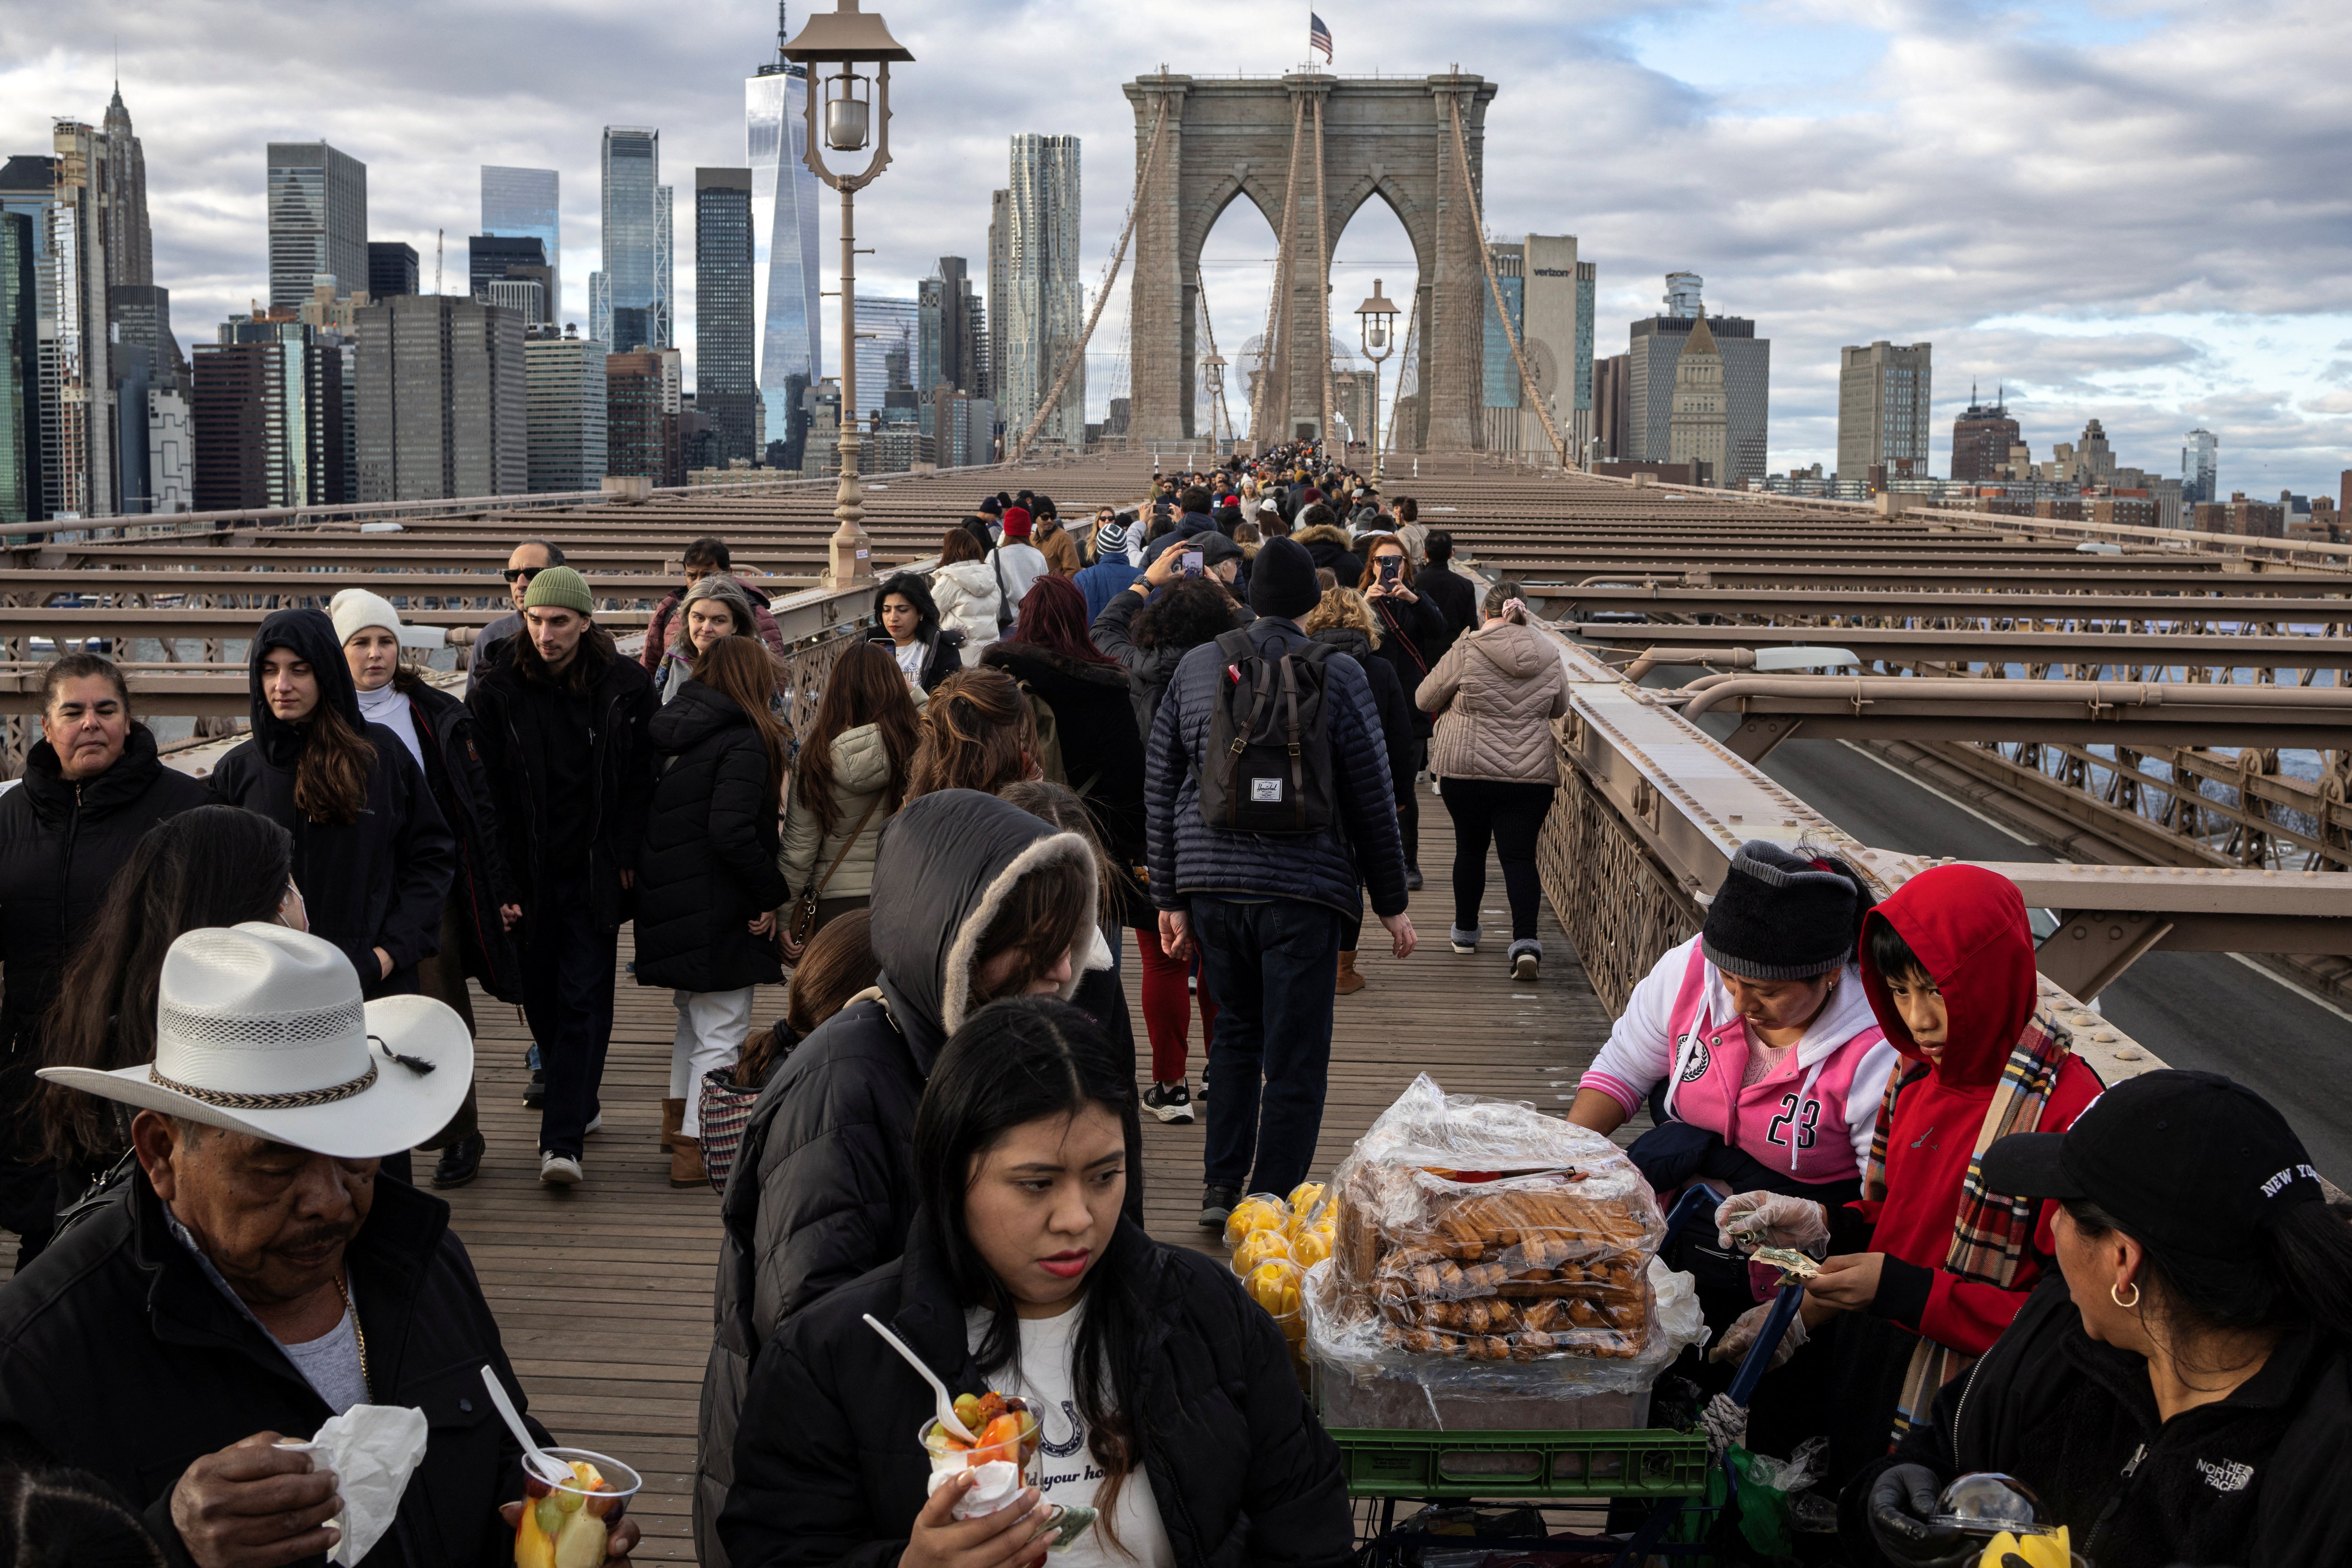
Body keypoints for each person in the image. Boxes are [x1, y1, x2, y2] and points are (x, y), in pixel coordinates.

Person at [2, 922, 639, 1566]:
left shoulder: (420, 1259)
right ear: (162, 1152)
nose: (331, 1199)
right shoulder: (43, 1356)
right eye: (275, 1162)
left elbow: (504, 1453)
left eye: (357, 1150)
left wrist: (555, 1525)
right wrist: (166, 1543)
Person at [719, 995, 1353, 1568]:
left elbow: (1305, 1520)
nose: (1077, 1218)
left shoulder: (1204, 1310)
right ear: (950, 1176)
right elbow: (772, 1547)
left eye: (1105, 1176)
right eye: (1036, 1184)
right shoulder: (834, 1358)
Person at [695, 789, 1101, 1563]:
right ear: (953, 943)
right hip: (844, 1511)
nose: (1061, 968)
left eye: (1069, 940)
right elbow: (813, 1344)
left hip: (940, 1471)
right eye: (1033, 944)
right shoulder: (845, 1086)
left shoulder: (968, 1064)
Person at [1849, 1070, 2352, 1567]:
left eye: (2064, 1208)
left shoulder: (2323, 1459)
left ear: (2122, 1260)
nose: (2051, 1223)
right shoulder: (2061, 1333)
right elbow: (1944, 1450)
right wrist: (1893, 1489)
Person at [1713, 864, 2106, 1481]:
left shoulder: (2063, 1111)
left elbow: (2068, 1318)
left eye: (1937, 990)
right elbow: (1893, 1216)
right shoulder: (1914, 1073)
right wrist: (1820, 1224)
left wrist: (1904, 1290)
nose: (1920, 1019)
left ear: (1991, 975)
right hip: (1876, 1355)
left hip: (1971, 1396)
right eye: (1899, 992)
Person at [1145, 537, 1414, 1227]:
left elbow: (1163, 785)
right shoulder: (1343, 674)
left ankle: (1217, 1186)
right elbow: (1372, 794)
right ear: (1312, 604)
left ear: (1249, 597)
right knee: (1296, 1056)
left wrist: (1169, 896)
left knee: (1236, 1035)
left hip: (1213, 887)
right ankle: (1267, 1199)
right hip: (1304, 891)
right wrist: (1391, 904)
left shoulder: (1201, 666)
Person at [1568, 842, 1896, 1310]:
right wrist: (1556, 1167)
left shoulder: (1876, 1050)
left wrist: (1799, 1318)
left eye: (1768, 991)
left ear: (1828, 974)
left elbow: (1880, 1213)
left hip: (1792, 1259)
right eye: (1729, 979)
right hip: (1675, 1217)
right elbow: (1620, 1071)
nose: (1741, 1005)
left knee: (1745, 1368)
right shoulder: (1691, 969)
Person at [0, 654, 209, 1264]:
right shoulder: (10, 817)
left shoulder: (187, 808)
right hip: (34, 1061)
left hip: (141, 1059)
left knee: (146, 1227)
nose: (90, 724)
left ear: (127, 719)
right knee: (44, 1234)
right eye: (73, 712)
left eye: (105, 710)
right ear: (46, 727)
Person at [466, 565, 658, 1187]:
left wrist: (628, 849)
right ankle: (582, 1099)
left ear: (585, 621)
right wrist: (499, 884)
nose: (545, 633)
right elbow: (484, 794)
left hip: (594, 869)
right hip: (528, 872)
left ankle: (562, 1143)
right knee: (542, 998)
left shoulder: (625, 685)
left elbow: (641, 780)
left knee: (585, 997)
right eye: (535, 620)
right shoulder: (496, 690)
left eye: (559, 622)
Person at [330, 589, 522, 1190]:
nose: (376, 653)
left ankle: (456, 1131)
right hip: (350, 891)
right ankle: (366, 1136)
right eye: (360, 642)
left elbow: (477, 807)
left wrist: (498, 887)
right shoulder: (323, 721)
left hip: (426, 886)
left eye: (385, 641)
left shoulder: (432, 712)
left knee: (435, 1009)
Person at [208, 608, 457, 1016]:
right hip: (268, 993)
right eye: (269, 671)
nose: (281, 685)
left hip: (373, 986)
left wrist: (387, 954)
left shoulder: (381, 756)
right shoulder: (239, 771)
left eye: (299, 670)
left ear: (325, 673)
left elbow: (431, 859)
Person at [633, 638, 794, 1190]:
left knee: (694, 1021)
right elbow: (731, 831)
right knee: (723, 1027)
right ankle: (700, 1148)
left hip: (673, 896)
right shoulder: (745, 740)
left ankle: (677, 1128)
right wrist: (771, 891)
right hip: (718, 902)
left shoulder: (676, 726)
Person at [1414, 583, 1570, 982]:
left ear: (1486, 613)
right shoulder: (1549, 652)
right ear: (1525, 612)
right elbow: (1559, 707)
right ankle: (1525, 943)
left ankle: (1465, 933)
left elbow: (1424, 699)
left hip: (1466, 770)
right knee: (1519, 857)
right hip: (1530, 775)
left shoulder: (1467, 648)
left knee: (1470, 848)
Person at [980, 575, 1146, 912]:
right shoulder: (1104, 689)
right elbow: (1126, 778)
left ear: (1024, 617)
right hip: (1087, 846)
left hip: (1006, 838)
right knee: (1094, 950)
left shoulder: (991, 685)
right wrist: (1130, 846)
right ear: (1079, 619)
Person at [1300, 588, 1416, 997]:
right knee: (1354, 876)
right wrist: (1400, 793)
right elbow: (1401, 738)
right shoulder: (1380, 669)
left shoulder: (1298, 661)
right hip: (1366, 784)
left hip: (1311, 784)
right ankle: (1342, 970)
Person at [777, 640, 920, 947]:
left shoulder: (816, 757)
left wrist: (785, 917)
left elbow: (798, 849)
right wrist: (915, 695)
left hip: (836, 906)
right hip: (905, 899)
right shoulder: (920, 748)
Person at [1358, 534, 1448, 893]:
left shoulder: (1416, 598)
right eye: (1381, 561)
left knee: (1404, 788)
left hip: (1409, 708)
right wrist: (1364, 603)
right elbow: (1338, 638)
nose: (1388, 568)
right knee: (1363, 784)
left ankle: (1408, 861)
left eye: (1395, 561)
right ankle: (1365, 858)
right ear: (1372, 565)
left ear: (1407, 565)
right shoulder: (1359, 599)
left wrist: (1414, 600)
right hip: (1367, 703)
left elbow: (1439, 631)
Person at [641, 535, 787, 675]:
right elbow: (650, 665)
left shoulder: (756, 613)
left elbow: (773, 677)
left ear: (729, 573)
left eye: (708, 576)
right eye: (692, 576)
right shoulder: (669, 608)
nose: (699, 582)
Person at [907, 668, 1041, 799]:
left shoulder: (913, 809)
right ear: (996, 749)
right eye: (1017, 736)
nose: (1022, 746)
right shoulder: (1006, 817)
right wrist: (1032, 799)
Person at [653, 573, 769, 704]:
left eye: (719, 621)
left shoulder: (752, 666)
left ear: (735, 625)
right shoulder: (673, 657)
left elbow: (772, 719)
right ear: (687, 619)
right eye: (699, 618)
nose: (706, 628)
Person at [868, 570, 965, 693]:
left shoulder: (942, 648)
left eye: (903, 610)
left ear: (921, 612)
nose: (893, 618)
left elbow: (950, 702)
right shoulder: (865, 646)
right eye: (887, 610)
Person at [475, 537, 564, 667]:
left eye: (532, 574)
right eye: (513, 575)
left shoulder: (593, 640)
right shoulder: (490, 637)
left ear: (560, 577)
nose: (520, 584)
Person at [930, 527, 1002, 663]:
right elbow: (996, 609)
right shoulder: (990, 577)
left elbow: (932, 613)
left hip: (960, 655)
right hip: (990, 653)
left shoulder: (950, 580)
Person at [989, 509, 1052, 632]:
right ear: (1028, 529)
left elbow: (989, 588)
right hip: (1033, 623)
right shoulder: (1038, 555)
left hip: (1005, 623)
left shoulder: (995, 556)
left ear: (1007, 530)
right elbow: (1046, 590)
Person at [1073, 515, 1142, 620]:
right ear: (1125, 548)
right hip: (1130, 636)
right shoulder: (1142, 578)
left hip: (1092, 635)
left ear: (1099, 548)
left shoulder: (1082, 578)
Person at [1416, 529, 1477, 644]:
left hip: (1422, 652)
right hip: (1454, 651)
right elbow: (1472, 628)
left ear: (1425, 553)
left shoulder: (1414, 583)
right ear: (1451, 555)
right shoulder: (1466, 585)